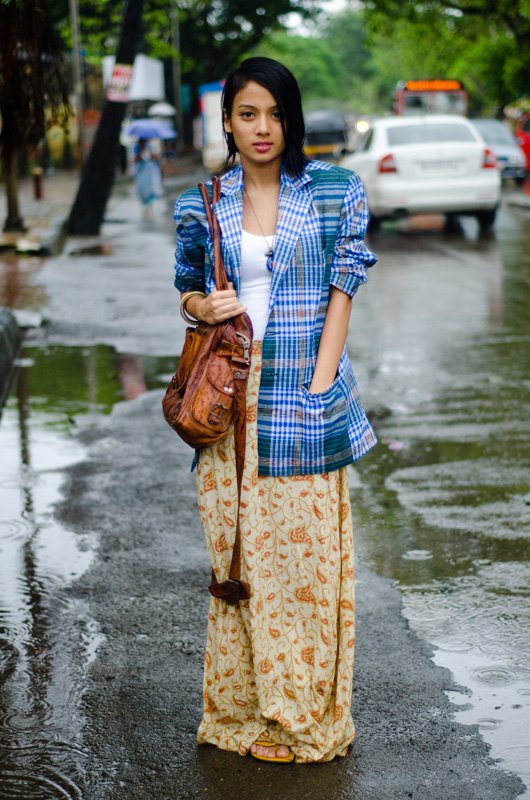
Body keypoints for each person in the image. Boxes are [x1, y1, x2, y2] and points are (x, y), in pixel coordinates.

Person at [173, 57, 377, 764]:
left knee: (305, 571)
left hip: (303, 399)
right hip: (228, 409)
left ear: (292, 119)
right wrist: (204, 304)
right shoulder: (204, 201)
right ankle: (242, 711)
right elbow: (187, 293)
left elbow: (345, 285)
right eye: (248, 114)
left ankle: (299, 717)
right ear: (227, 121)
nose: (263, 128)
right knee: (239, 571)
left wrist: (320, 384)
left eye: (276, 113)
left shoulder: (334, 190)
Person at [134, 137, 162, 219]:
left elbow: (156, 158)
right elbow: (136, 159)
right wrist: (140, 153)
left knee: (150, 189)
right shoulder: (137, 148)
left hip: (150, 171)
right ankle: (145, 208)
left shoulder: (150, 146)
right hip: (142, 171)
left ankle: (150, 208)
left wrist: (153, 155)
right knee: (143, 189)